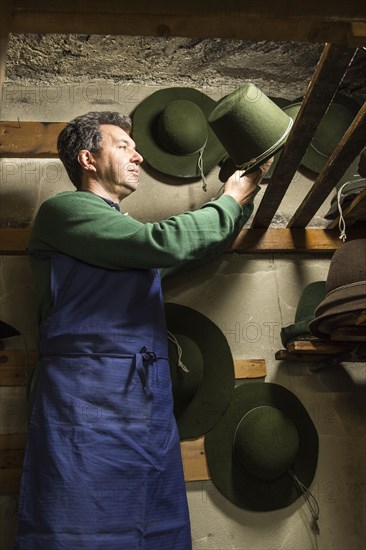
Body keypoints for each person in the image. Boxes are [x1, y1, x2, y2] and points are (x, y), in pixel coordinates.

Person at [14, 111, 271, 550]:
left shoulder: (121, 236)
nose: (139, 157)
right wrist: (225, 202)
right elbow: (161, 243)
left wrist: (240, 200)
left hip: (144, 402)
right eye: (123, 146)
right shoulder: (65, 211)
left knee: (155, 530)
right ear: (87, 158)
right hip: (85, 401)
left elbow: (190, 251)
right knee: (76, 526)